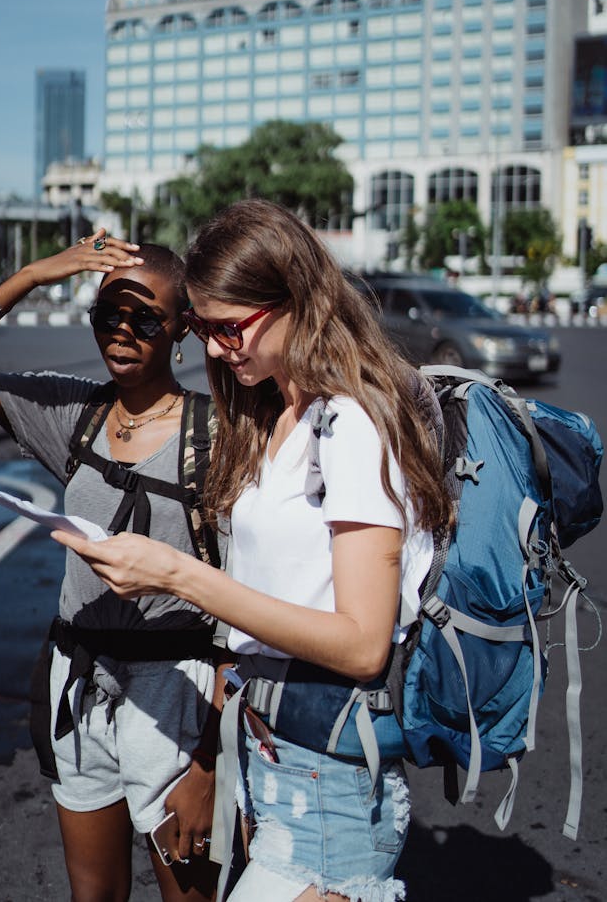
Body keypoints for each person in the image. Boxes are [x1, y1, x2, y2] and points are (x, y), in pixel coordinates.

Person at [51, 200, 451, 902]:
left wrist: (179, 574)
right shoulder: (278, 413)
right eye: (203, 327)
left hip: (331, 790)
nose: (215, 347)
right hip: (275, 767)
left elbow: (363, 644)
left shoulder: (352, 422)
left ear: (296, 299)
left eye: (231, 327)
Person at [0, 231, 227, 902]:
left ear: (181, 330)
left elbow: (244, 606)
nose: (124, 331)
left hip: (176, 691)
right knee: (93, 895)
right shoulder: (72, 413)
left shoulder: (215, 435)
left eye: (145, 319)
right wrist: (29, 276)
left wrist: (209, 765)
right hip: (78, 684)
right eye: (109, 314)